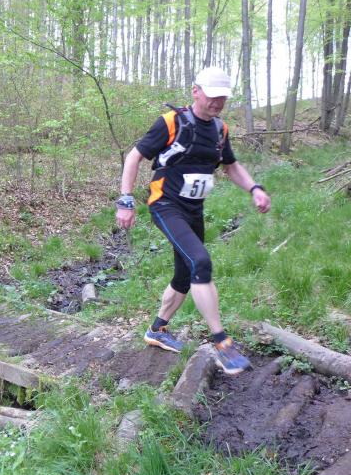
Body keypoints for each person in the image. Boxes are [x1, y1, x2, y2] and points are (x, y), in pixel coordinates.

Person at [115, 67, 271, 375]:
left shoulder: (220, 130)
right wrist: (126, 200)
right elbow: (134, 157)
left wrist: (254, 188)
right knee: (200, 261)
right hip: (165, 205)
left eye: (222, 98)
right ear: (196, 91)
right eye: (212, 96)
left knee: (185, 274)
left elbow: (231, 166)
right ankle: (222, 343)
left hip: (194, 210)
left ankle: (157, 329)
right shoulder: (170, 123)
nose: (217, 103)